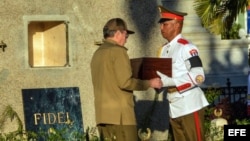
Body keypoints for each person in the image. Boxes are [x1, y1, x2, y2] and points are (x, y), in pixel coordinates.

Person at [90, 18, 163, 141]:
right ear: (118, 33)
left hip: (102, 116)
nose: (126, 39)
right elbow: (125, 82)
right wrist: (150, 83)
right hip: (121, 117)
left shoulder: (97, 54)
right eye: (126, 35)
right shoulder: (118, 52)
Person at [156, 6, 209, 141]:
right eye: (161, 24)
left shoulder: (186, 47)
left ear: (177, 25)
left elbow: (198, 76)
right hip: (174, 106)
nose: (161, 28)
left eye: (165, 24)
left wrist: (169, 82)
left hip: (190, 105)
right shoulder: (164, 50)